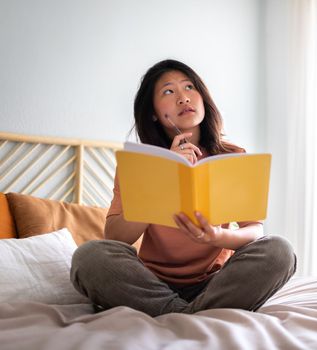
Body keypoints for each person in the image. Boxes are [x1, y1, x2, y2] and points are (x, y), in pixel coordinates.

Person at [70, 59, 296, 317]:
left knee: (279, 250)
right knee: (89, 257)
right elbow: (116, 237)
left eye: (189, 87)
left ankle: (176, 316)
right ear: (153, 112)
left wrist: (217, 237)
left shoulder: (232, 156)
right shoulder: (140, 164)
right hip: (150, 283)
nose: (182, 98)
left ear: (202, 97)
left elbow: (254, 230)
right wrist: (164, 178)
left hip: (214, 284)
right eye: (168, 91)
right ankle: (193, 315)